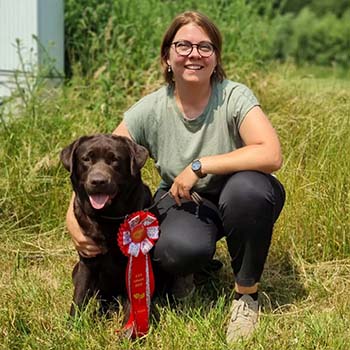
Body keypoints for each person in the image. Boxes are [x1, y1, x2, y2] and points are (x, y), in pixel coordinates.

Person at [65, 11, 285, 343]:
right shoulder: (150, 109)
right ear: (167, 56)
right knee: (175, 250)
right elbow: (100, 166)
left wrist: (200, 165)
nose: (194, 54)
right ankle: (195, 267)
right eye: (183, 45)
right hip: (185, 202)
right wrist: (72, 218)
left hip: (240, 195)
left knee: (248, 190)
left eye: (204, 47)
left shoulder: (234, 96)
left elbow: (271, 154)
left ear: (216, 58)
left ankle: (246, 296)